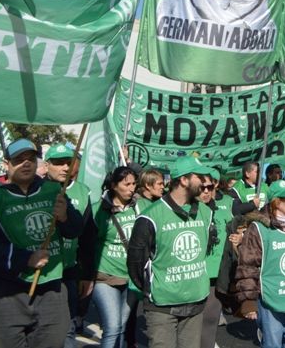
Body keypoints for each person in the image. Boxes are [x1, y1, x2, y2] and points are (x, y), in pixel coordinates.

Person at [0, 138, 85, 347]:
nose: (26, 164)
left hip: (51, 291)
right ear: (6, 165)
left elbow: (76, 230)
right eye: (19, 160)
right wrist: (25, 259)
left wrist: (66, 217)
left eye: (30, 159)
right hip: (4, 294)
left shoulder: (54, 191)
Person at [127, 155, 212, 348]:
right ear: (184, 180)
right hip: (162, 308)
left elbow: (203, 251)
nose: (205, 182)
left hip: (196, 303)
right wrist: (152, 289)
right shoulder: (150, 217)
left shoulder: (206, 213)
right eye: (200, 177)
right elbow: (135, 262)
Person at [233, 180, 285, 348]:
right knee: (273, 343)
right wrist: (248, 302)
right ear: (276, 202)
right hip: (270, 297)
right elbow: (247, 265)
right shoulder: (258, 229)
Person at [44, 143, 94, 348]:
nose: (65, 167)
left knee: (69, 327)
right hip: (42, 271)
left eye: (68, 162)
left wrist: (87, 274)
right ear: (47, 165)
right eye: (58, 163)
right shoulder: (37, 190)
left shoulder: (83, 192)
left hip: (69, 271)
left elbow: (87, 236)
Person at [87, 166, 140, 348]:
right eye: (126, 184)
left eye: (134, 183)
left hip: (131, 278)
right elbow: (87, 245)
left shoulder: (140, 207)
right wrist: (86, 277)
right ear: (114, 186)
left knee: (122, 326)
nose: (132, 188)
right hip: (105, 277)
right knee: (112, 326)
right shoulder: (98, 211)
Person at [197, 168, 231, 348]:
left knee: (210, 319)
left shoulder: (224, 205)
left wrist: (238, 235)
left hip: (216, 271)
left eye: (210, 187)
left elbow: (236, 226)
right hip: (192, 275)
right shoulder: (187, 210)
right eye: (201, 187)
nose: (206, 191)